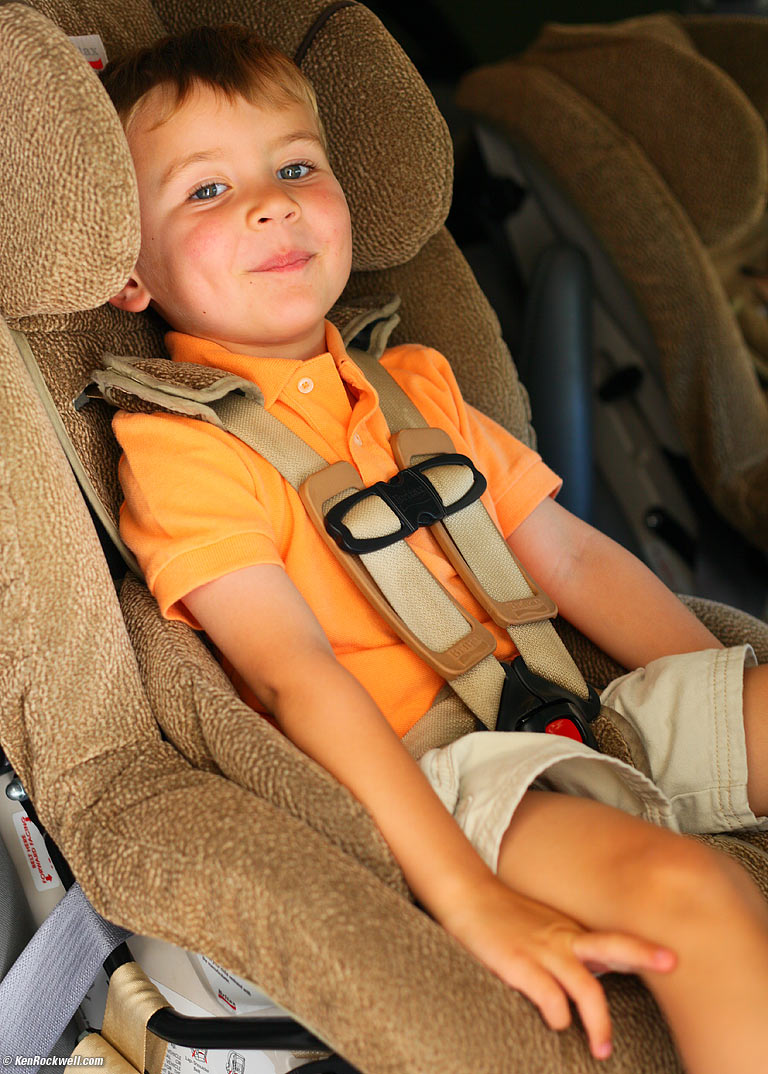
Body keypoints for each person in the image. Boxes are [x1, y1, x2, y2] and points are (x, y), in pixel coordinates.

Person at [101, 25, 768, 1072]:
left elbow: (574, 561)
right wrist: (465, 892)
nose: (271, 204)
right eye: (207, 190)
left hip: (578, 710)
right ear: (129, 274)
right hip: (451, 780)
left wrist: (718, 703)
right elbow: (291, 675)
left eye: (294, 168)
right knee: (698, 894)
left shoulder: (417, 383)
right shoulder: (182, 450)